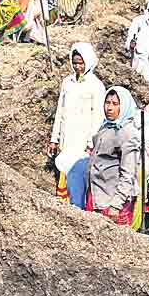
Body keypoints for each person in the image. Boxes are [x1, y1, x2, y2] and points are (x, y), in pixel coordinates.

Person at [49, 42, 106, 208]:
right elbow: (60, 111)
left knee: (78, 173)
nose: (78, 67)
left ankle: (78, 205)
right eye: (75, 63)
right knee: (64, 168)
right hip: (68, 136)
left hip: (83, 139)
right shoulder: (67, 82)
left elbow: (97, 116)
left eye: (81, 63)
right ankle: (63, 204)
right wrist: (55, 138)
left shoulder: (96, 86)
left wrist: (91, 143)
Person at [87, 87, 142, 226]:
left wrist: (116, 205)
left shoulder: (127, 133)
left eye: (115, 104)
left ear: (123, 107)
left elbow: (128, 173)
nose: (109, 108)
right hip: (98, 194)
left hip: (113, 201)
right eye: (107, 102)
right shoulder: (106, 126)